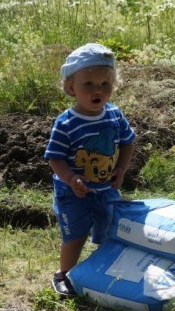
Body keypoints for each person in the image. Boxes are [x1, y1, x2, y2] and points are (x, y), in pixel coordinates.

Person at [44, 43, 136, 297]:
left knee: (109, 231)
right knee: (75, 234)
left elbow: (128, 141)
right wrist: (72, 178)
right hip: (73, 194)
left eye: (105, 84)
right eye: (89, 84)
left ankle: (101, 273)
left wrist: (121, 169)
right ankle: (66, 275)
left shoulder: (114, 115)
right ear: (71, 87)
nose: (98, 90)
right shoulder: (67, 123)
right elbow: (55, 158)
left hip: (105, 189)